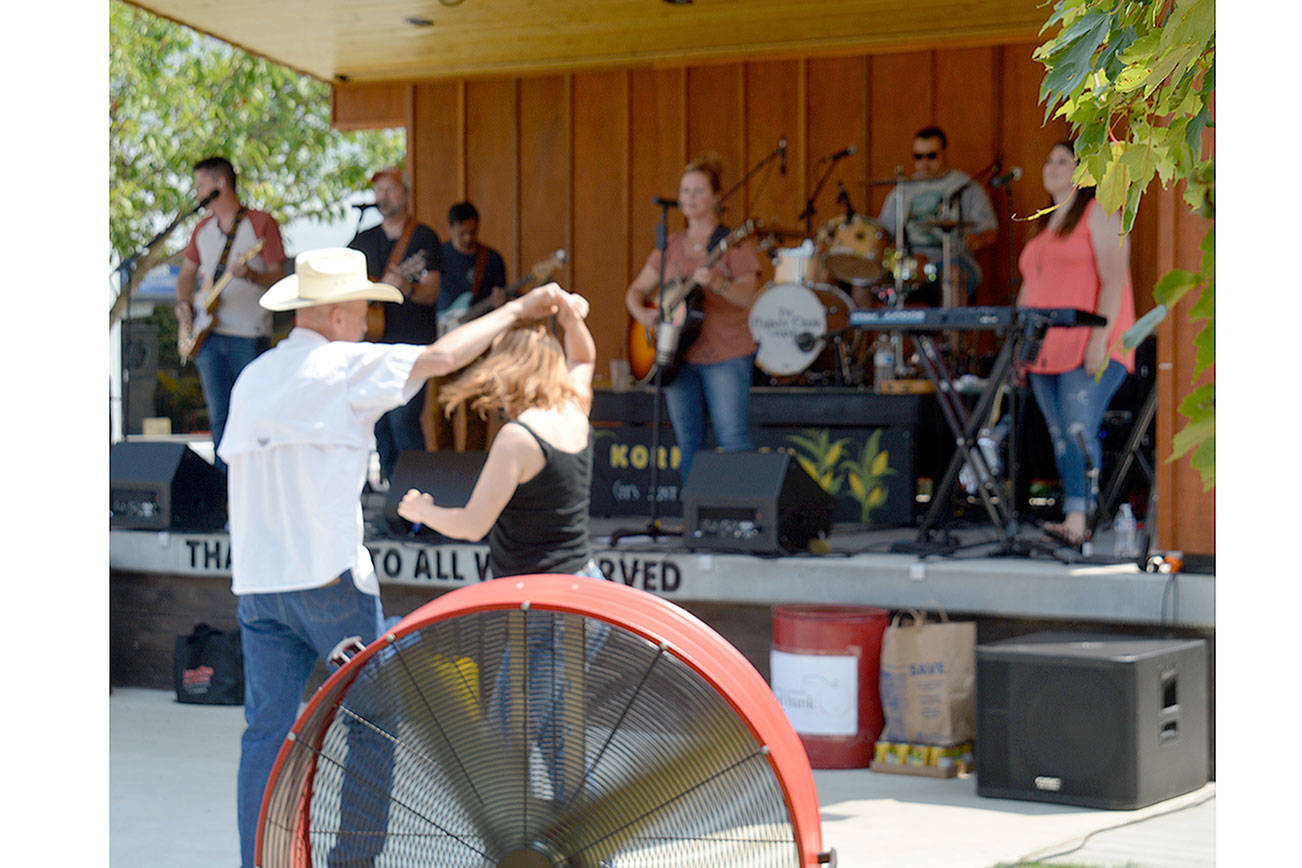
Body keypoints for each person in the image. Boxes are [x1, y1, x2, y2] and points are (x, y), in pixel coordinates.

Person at [216, 246, 573, 868]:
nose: (366, 326)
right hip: (328, 583)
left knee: (265, 736)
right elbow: (440, 358)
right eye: (361, 313)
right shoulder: (341, 364)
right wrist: (517, 310)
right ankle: (351, 861)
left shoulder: (253, 378)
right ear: (336, 314)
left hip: (256, 585)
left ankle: (259, 860)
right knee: (373, 724)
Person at [396, 292, 602, 799]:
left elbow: (471, 524)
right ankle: (580, 848)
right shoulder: (576, 407)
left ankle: (530, 848)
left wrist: (422, 512)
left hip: (542, 611)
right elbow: (585, 357)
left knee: (504, 744)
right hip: (587, 600)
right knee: (557, 741)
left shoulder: (517, 439)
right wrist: (570, 315)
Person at [1016, 140, 1136, 548]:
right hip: (1046, 350)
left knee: (1079, 427)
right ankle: (1074, 513)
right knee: (1060, 434)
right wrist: (1020, 349)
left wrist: (1100, 339)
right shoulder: (1043, 224)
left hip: (1091, 343)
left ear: (1083, 171)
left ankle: (1078, 519)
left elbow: (1115, 278)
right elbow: (1030, 289)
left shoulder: (1099, 212)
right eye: (1048, 159)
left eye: (1063, 160)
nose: (1052, 166)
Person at [623, 153, 762, 485]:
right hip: (677, 357)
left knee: (732, 439)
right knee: (689, 444)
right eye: (685, 191)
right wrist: (642, 313)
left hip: (725, 354)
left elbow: (751, 296)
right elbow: (635, 291)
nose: (689, 198)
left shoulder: (734, 241)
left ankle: (741, 520)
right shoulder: (670, 245)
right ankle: (693, 520)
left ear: (715, 197)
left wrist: (720, 283)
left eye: (698, 191)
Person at [175, 156, 286, 474]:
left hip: (249, 334)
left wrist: (251, 275)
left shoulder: (261, 223)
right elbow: (187, 275)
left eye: (200, 185)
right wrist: (184, 304)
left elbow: (279, 274)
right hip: (209, 335)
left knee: (252, 414)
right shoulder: (203, 229)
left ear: (220, 184)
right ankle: (226, 496)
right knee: (219, 417)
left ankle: (257, 487)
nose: (196, 193)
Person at [347, 165, 444, 484]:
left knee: (404, 419)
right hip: (373, 342)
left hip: (410, 343)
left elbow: (431, 292)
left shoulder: (423, 238)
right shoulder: (364, 238)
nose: (382, 197)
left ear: (406, 193)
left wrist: (408, 286)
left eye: (390, 190)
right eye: (378, 191)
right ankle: (394, 497)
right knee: (381, 424)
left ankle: (418, 497)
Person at [876, 126, 998, 306]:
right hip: (908, 264)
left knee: (953, 275)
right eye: (918, 157)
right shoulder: (901, 191)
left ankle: (953, 333)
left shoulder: (966, 187)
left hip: (952, 260)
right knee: (863, 278)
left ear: (944, 154)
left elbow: (990, 231)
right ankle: (862, 333)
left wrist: (974, 240)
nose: (924, 162)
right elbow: (883, 233)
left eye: (931, 156)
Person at [437, 201, 508, 335]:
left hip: (482, 329)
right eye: (462, 233)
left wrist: (501, 302)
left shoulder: (491, 259)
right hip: (443, 328)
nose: (468, 238)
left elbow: (501, 295)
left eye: (473, 232)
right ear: (450, 229)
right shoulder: (438, 255)